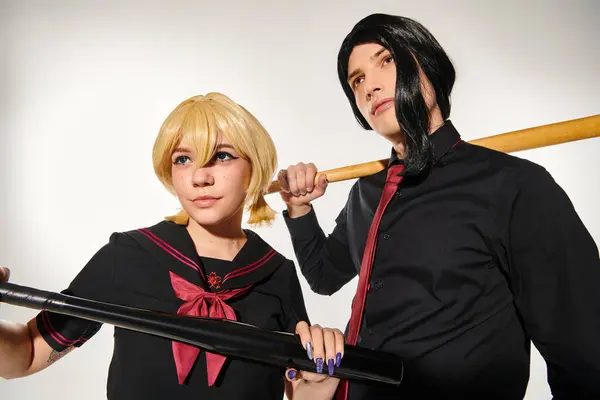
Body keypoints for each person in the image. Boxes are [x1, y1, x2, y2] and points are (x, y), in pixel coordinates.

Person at [278, 13, 600, 400]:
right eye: (357, 80)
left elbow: (582, 352)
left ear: (427, 64)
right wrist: (299, 209)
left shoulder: (513, 185)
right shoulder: (366, 192)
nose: (370, 86)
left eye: (387, 60)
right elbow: (324, 275)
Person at [0, 92, 343, 400]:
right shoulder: (129, 254)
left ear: (254, 170)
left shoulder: (276, 273)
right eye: (183, 159)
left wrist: (317, 389)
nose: (199, 176)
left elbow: (299, 389)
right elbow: (26, 356)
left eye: (221, 156)